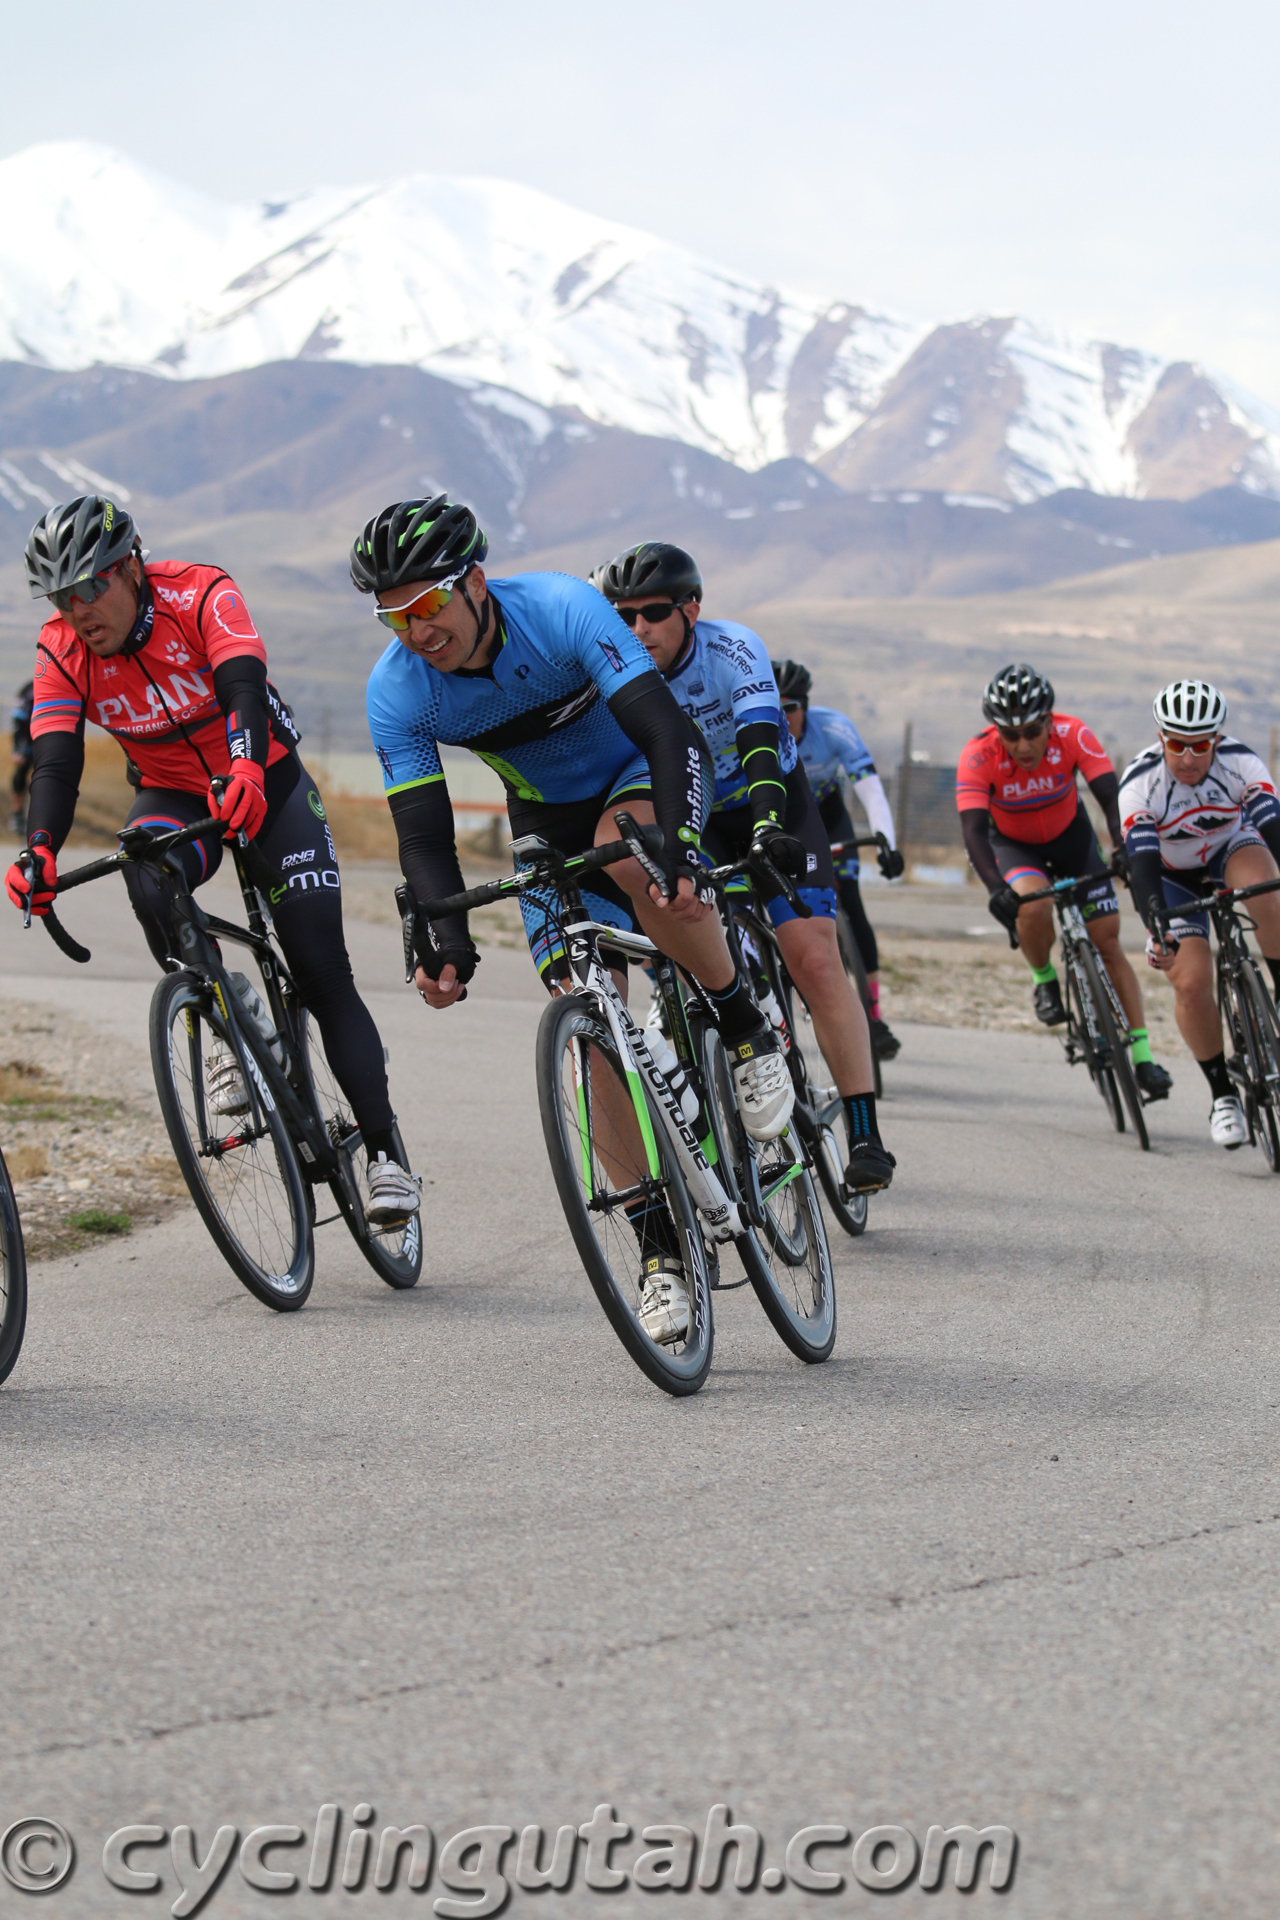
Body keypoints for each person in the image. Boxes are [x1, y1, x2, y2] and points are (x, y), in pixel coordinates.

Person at [356, 496, 794, 1347]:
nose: (416, 630)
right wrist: (445, 936)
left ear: (474, 582)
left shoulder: (559, 609)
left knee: (639, 864)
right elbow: (422, 834)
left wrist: (679, 846)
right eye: (393, 615)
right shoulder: (397, 690)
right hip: (544, 817)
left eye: (427, 605)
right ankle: (659, 1252)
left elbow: (667, 731)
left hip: (641, 765)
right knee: (589, 1018)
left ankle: (743, 1026)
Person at [8, 493, 417, 1225]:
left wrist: (249, 767)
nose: (78, 610)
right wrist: (38, 852)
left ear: (131, 566)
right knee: (146, 872)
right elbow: (56, 762)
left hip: (270, 783)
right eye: (61, 597)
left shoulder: (200, 592)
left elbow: (241, 685)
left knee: (321, 971)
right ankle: (226, 1005)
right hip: (175, 795)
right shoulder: (59, 648)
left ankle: (385, 1154)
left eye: (92, 585)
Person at [590, 542, 896, 1195]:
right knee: (683, 940)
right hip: (687, 810)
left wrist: (764, 828)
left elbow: (760, 740)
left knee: (812, 958)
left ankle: (864, 1131)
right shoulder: (610, 669)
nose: (638, 629)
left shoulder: (732, 650)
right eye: (624, 616)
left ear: (691, 609)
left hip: (771, 798)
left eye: (653, 613)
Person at [957, 662, 1171, 1102]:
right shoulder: (978, 755)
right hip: (1015, 847)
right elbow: (974, 832)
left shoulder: (1074, 735)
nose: (1022, 744)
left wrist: (1122, 846)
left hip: (1072, 840)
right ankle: (1044, 978)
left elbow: (1112, 799)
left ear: (1049, 722)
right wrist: (996, 887)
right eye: (1010, 735)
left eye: (1032, 731)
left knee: (1108, 942)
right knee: (1032, 905)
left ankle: (1145, 1057)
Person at [1121, 679, 1280, 1149]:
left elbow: (1272, 826)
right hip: (1171, 875)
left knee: (1266, 891)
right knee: (1190, 982)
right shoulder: (1140, 785)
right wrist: (1156, 927)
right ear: (1160, 738)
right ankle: (1223, 1095)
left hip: (1231, 848)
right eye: (1176, 744)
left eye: (1200, 745)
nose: (1188, 757)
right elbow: (1142, 866)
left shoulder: (1242, 763)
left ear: (1217, 740)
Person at [772, 658, 905, 1060]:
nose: (783, 717)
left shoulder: (834, 728)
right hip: (782, 817)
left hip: (829, 818)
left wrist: (888, 842)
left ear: (806, 707)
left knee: (852, 905)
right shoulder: (757, 728)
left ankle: (875, 1015)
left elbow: (870, 789)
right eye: (774, 707)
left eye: (790, 707)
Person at [10, 680, 33, 837]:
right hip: (28, 743)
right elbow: (18, 719)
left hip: (48, 743)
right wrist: (17, 749)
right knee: (19, 777)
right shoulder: (28, 689)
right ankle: (17, 814)